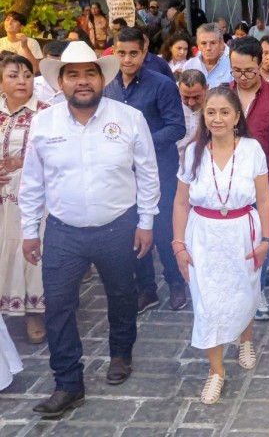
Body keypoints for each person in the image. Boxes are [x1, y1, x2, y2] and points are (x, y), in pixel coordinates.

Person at [19, 41, 160, 416]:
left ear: (102, 78)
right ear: (61, 82)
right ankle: (68, 383)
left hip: (118, 227)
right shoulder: (44, 123)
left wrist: (146, 222)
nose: (82, 82)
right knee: (59, 307)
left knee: (122, 296)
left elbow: (148, 174)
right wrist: (30, 230)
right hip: (63, 231)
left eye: (89, 73)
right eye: (73, 75)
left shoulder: (129, 118)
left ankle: (120, 354)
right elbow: (33, 182)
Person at [173, 87, 269, 405]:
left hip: (243, 231)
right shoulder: (193, 152)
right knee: (206, 304)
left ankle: (245, 337)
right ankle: (216, 371)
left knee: (245, 291)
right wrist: (178, 244)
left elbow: (264, 198)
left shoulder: (252, 149)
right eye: (211, 112)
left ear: (236, 117)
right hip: (202, 235)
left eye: (224, 112)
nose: (217, 118)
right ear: (203, 116)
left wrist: (267, 239)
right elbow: (180, 201)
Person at [104, 27, 187, 312]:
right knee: (134, 232)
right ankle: (147, 290)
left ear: (144, 51)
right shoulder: (107, 87)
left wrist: (140, 144)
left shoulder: (162, 84)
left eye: (133, 53)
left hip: (159, 171)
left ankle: (176, 283)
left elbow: (177, 127)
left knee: (163, 232)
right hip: (123, 176)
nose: (127, 60)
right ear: (114, 52)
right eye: (121, 53)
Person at [228, 38, 269, 320]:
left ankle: (258, 293)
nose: (242, 77)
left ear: (261, 65)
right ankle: (234, 292)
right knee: (234, 241)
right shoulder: (223, 94)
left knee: (260, 241)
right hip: (229, 182)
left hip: (264, 184)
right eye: (236, 70)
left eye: (249, 71)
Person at [0, 56, 48, 344]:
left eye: (28, 75)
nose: (22, 81)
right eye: (14, 75)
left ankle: (35, 313)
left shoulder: (46, 114)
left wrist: (23, 162)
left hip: (31, 198)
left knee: (30, 253)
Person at [183, 24, 233, 88]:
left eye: (212, 43)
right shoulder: (189, 66)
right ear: (198, 45)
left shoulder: (231, 65)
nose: (208, 48)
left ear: (221, 43)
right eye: (203, 43)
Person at [177, 70, 208, 161]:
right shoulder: (171, 105)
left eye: (196, 97)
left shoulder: (215, 108)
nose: (191, 103)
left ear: (206, 88)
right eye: (185, 97)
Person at [34, 40, 68, 105]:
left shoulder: (76, 87)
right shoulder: (33, 85)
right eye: (51, 63)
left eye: (59, 64)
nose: (55, 67)